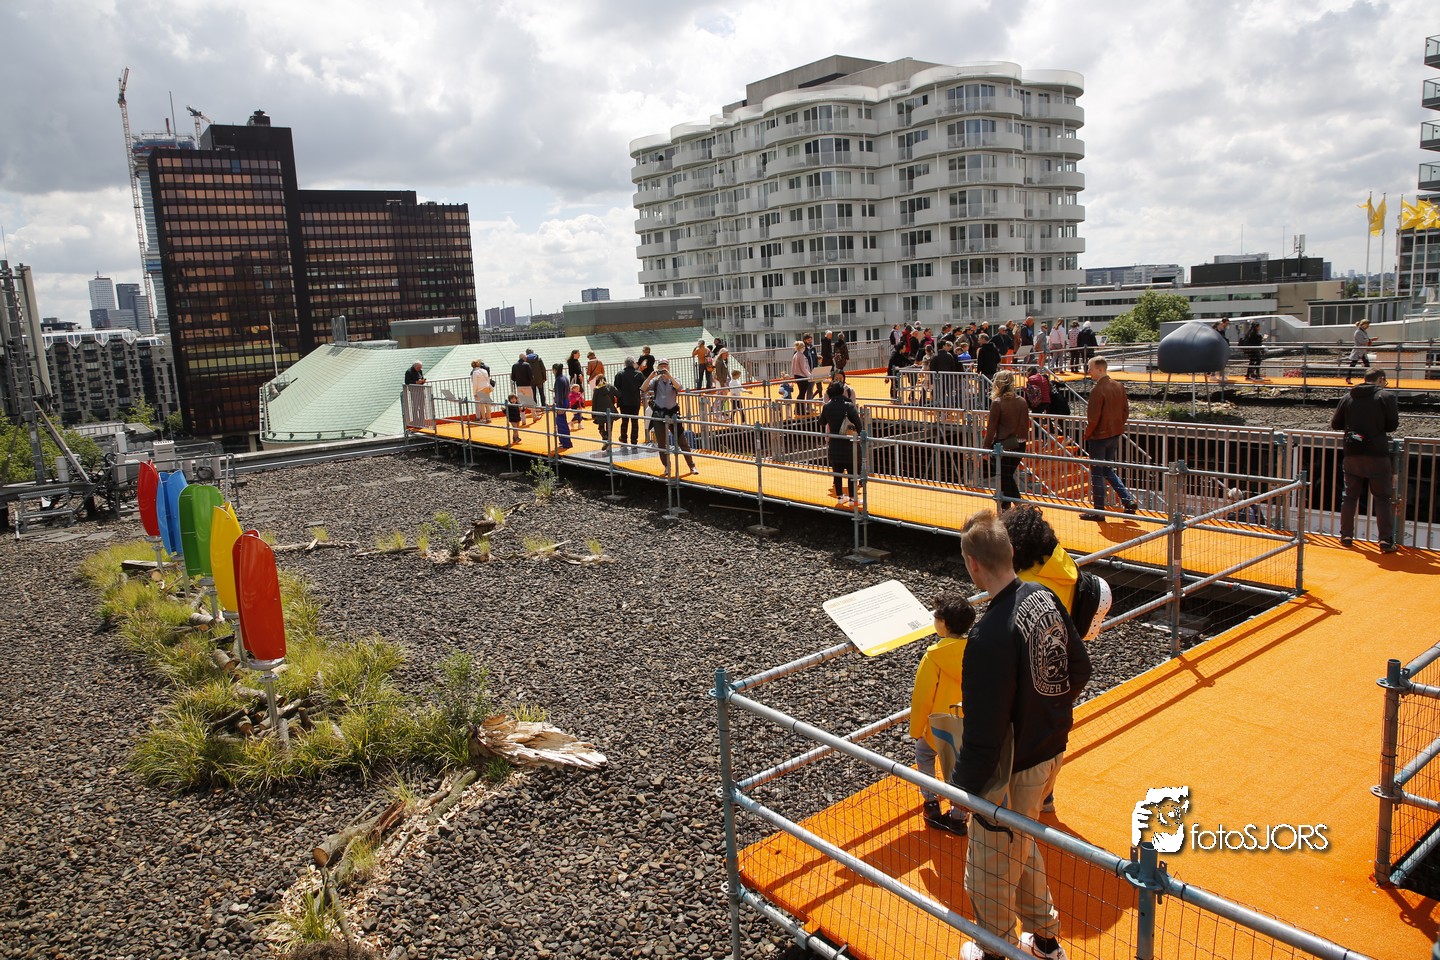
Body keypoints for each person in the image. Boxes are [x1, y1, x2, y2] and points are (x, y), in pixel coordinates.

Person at [953, 510, 1091, 960]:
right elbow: (1079, 668)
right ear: (1011, 552)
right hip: (1051, 749)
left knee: (990, 867)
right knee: (1021, 840)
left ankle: (997, 950)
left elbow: (984, 730)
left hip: (1014, 765)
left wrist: (961, 790)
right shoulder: (1043, 597)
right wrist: (1047, 709)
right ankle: (1044, 939)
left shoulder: (988, 635)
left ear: (973, 564)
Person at [910, 593, 977, 836]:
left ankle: (931, 804)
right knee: (960, 768)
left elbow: (923, 697)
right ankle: (959, 817)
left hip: (939, 726)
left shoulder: (934, 657)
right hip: (969, 724)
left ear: (944, 624)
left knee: (924, 754)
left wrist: (917, 729)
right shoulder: (977, 650)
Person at [1331, 368, 1399, 553]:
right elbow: (1392, 425)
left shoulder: (1348, 397)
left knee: (1349, 496)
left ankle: (1346, 535)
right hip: (1377, 453)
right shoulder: (1386, 396)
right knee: (1382, 498)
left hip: (1352, 452)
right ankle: (1385, 540)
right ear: (1380, 379)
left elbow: (1335, 424)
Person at [1079, 357, 1138, 520]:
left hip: (1099, 436)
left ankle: (1099, 511)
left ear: (1100, 369)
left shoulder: (1098, 390)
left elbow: (1093, 418)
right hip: (1114, 433)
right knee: (1107, 470)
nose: (1088, 372)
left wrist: (1087, 434)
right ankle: (1127, 500)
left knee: (1097, 473)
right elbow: (1125, 411)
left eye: (1090, 368)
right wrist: (1118, 426)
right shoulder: (1118, 386)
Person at [983, 370, 1031, 510]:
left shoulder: (998, 403)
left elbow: (991, 429)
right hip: (1020, 444)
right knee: (1007, 476)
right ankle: (1007, 506)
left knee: (1005, 476)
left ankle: (1019, 506)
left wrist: (985, 448)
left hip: (1003, 444)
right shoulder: (1022, 401)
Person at [644, 360, 698, 476]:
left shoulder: (674, 379)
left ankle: (691, 465)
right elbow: (643, 388)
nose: (663, 368)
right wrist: (650, 376)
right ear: (658, 368)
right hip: (659, 414)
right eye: (661, 366)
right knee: (662, 443)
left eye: (665, 366)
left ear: (669, 367)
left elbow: (679, 387)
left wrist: (669, 376)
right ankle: (667, 467)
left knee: (682, 441)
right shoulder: (655, 381)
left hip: (673, 414)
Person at [819, 381, 863, 507]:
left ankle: (840, 496)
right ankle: (853, 498)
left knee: (837, 472)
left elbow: (821, 422)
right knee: (852, 472)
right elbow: (858, 425)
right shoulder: (849, 406)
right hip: (849, 444)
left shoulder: (827, 406)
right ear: (842, 391)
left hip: (834, 444)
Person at [614, 358, 646, 446]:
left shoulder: (620, 374)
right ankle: (634, 440)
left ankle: (624, 439)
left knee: (624, 421)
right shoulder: (639, 374)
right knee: (634, 421)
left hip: (623, 401)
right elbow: (644, 386)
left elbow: (616, 387)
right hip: (635, 401)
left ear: (625, 364)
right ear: (633, 364)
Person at [590, 374, 619, 449]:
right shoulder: (611, 387)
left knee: (601, 427)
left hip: (600, 412)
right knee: (610, 428)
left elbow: (594, 402)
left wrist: (593, 413)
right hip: (611, 410)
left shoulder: (596, 390)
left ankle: (605, 438)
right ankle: (609, 442)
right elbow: (619, 395)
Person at [511, 353, 539, 424]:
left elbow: (513, 378)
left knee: (521, 403)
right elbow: (531, 376)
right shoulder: (527, 365)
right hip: (527, 386)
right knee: (531, 401)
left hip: (519, 387)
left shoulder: (514, 366)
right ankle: (534, 416)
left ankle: (523, 420)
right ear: (524, 358)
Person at [551, 363, 573, 450]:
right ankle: (565, 441)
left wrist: (559, 406)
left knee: (561, 423)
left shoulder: (558, 380)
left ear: (555, 370)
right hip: (565, 400)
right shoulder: (565, 378)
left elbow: (559, 394)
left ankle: (566, 442)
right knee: (562, 421)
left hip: (561, 402)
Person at [1347, 319, 1376, 383]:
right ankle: (1348, 377)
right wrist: (1370, 340)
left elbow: (1365, 340)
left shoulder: (1363, 332)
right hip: (1358, 351)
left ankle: (1368, 379)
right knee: (1353, 364)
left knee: (1366, 365)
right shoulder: (1358, 332)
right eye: (1367, 325)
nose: (1368, 326)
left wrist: (1370, 340)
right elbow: (1361, 341)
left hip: (1363, 350)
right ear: (1363, 325)